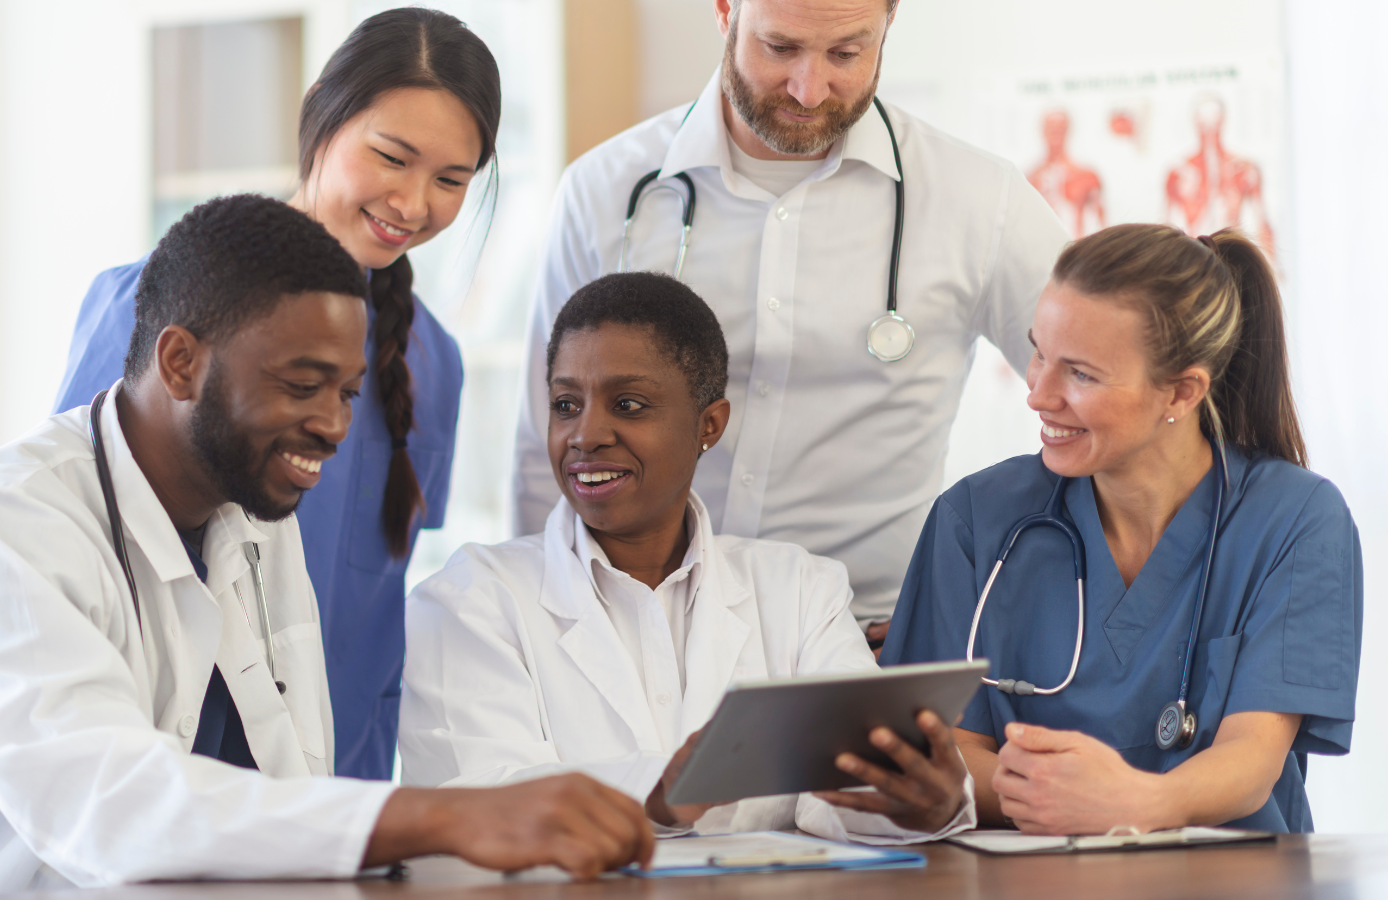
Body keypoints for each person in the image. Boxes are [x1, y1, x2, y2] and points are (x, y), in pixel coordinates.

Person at [0, 197, 653, 899]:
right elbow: (106, 805)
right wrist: (442, 814)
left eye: (348, 392)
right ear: (180, 361)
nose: (333, 425)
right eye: (301, 385)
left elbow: (292, 775)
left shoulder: (254, 518)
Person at [511, 0, 1069, 650]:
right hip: (638, 636)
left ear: (889, 23)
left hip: (869, 643)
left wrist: (999, 585)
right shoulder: (604, 191)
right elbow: (540, 447)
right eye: (780, 48)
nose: (809, 88)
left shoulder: (979, 200)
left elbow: (1103, 394)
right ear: (725, 12)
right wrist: (543, 633)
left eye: (846, 53)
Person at [52, 8, 491, 779]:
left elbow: (377, 616)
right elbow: (71, 559)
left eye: (451, 180)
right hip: (158, 783)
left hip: (335, 802)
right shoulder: (150, 307)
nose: (414, 204)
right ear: (320, 110)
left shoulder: (432, 362)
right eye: (392, 156)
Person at [402, 272, 974, 842]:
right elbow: (476, 799)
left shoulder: (799, 590)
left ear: (709, 425)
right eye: (565, 404)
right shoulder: (470, 599)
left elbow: (839, 795)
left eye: (628, 405)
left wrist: (917, 802)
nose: (586, 434)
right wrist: (658, 794)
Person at [882, 224, 1363, 834]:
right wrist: (1063, 795)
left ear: (1183, 391)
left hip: (1229, 877)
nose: (1039, 394)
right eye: (1039, 353)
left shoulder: (1295, 519)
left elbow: (1251, 759)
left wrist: (1135, 803)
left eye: (1080, 374)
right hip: (1025, 879)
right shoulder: (976, 518)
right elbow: (942, 752)